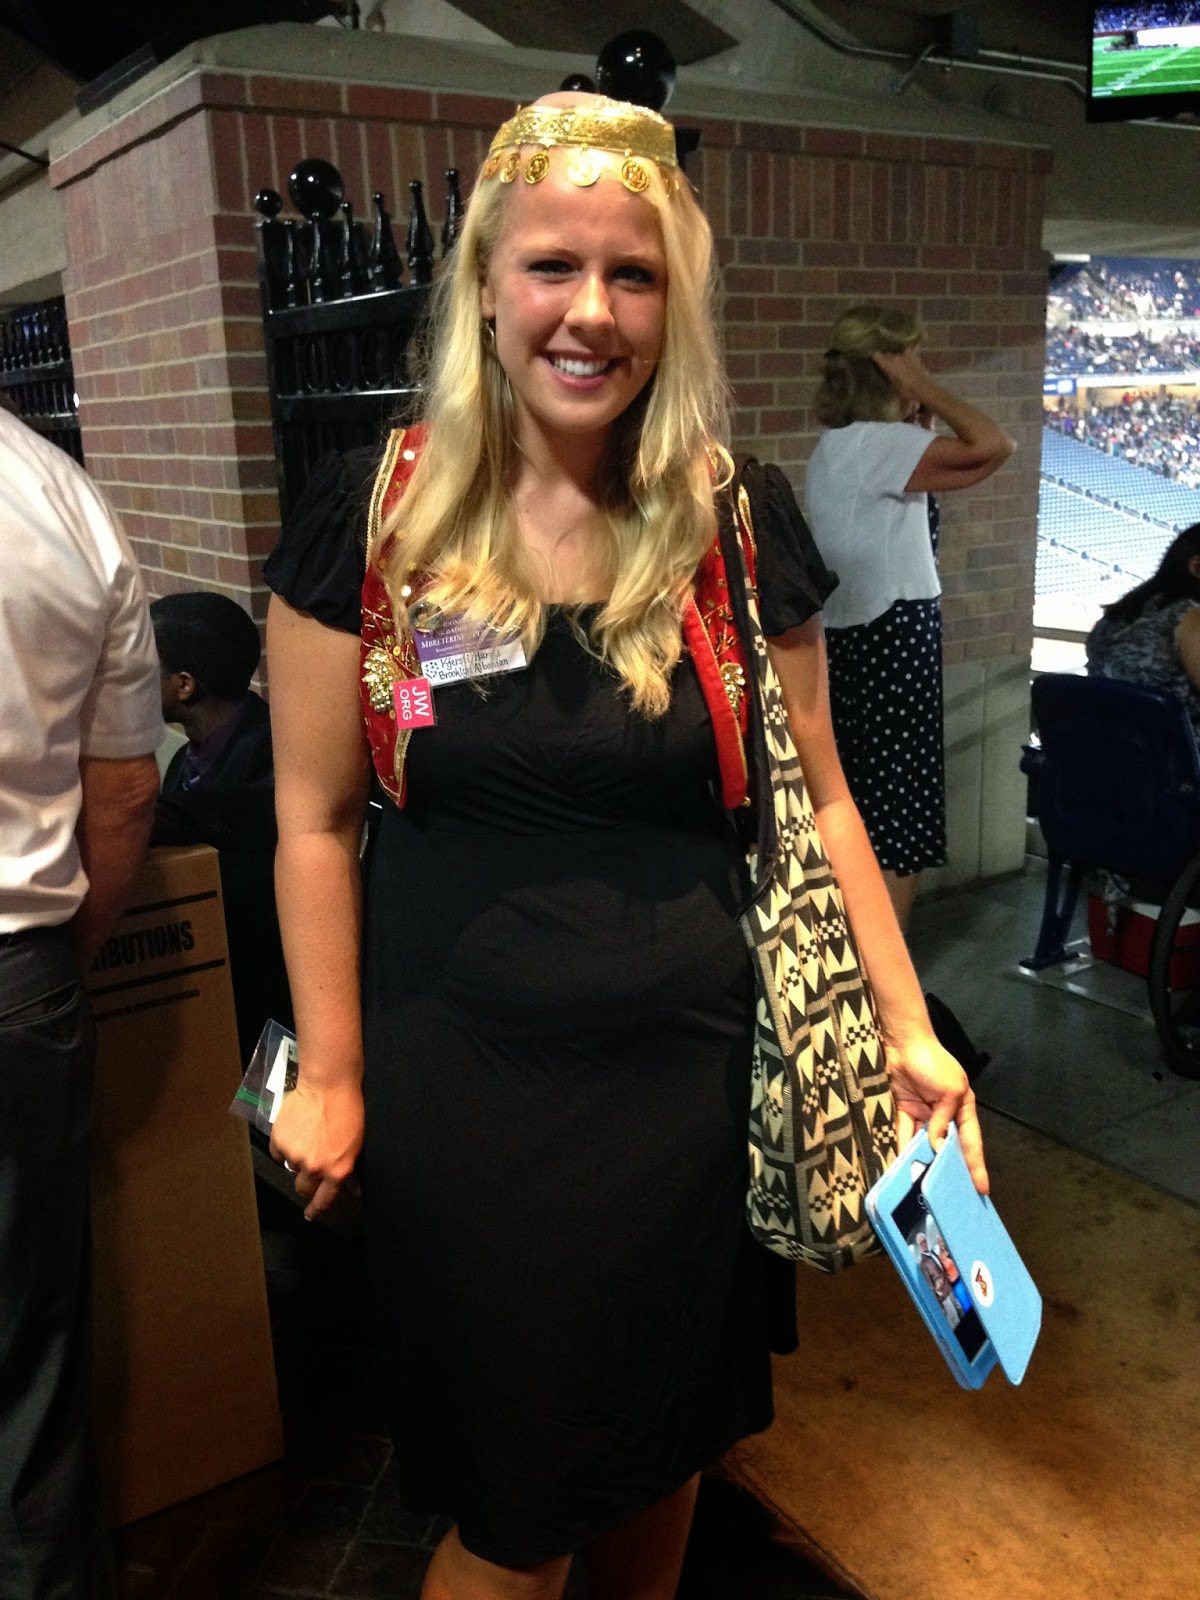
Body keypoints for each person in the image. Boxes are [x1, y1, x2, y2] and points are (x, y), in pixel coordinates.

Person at [264, 93, 988, 1600]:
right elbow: (314, 822)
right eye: (553, 265)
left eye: (634, 274)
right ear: (484, 286)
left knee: (665, 1454)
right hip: (471, 1100)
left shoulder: (735, 520)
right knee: (516, 1520)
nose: (591, 312)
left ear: (674, 306)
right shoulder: (374, 518)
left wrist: (906, 1028)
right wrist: (331, 1071)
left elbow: (823, 801)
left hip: (693, 1092)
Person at [0, 404, 161, 1598]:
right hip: (22, 976)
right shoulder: (62, 499)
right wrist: (62, 959)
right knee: (27, 1365)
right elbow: (124, 793)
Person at [803, 307, 1016, 927]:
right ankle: (887, 965)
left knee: (867, 803)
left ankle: (860, 956)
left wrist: (915, 415)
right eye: (912, 357)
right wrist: (925, 389)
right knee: (899, 813)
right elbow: (994, 446)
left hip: (855, 641)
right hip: (893, 640)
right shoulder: (882, 445)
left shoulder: (842, 445)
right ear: (888, 366)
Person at [150, 590, 291, 1058]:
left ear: (184, 685)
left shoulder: (274, 752)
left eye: (140, 668)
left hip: (272, 1006)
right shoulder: (184, 762)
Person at [1085, 522, 1200, 736]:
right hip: (1172, 747)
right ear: (1196, 567)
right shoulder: (1188, 617)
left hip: (1108, 744)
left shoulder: (1120, 614)